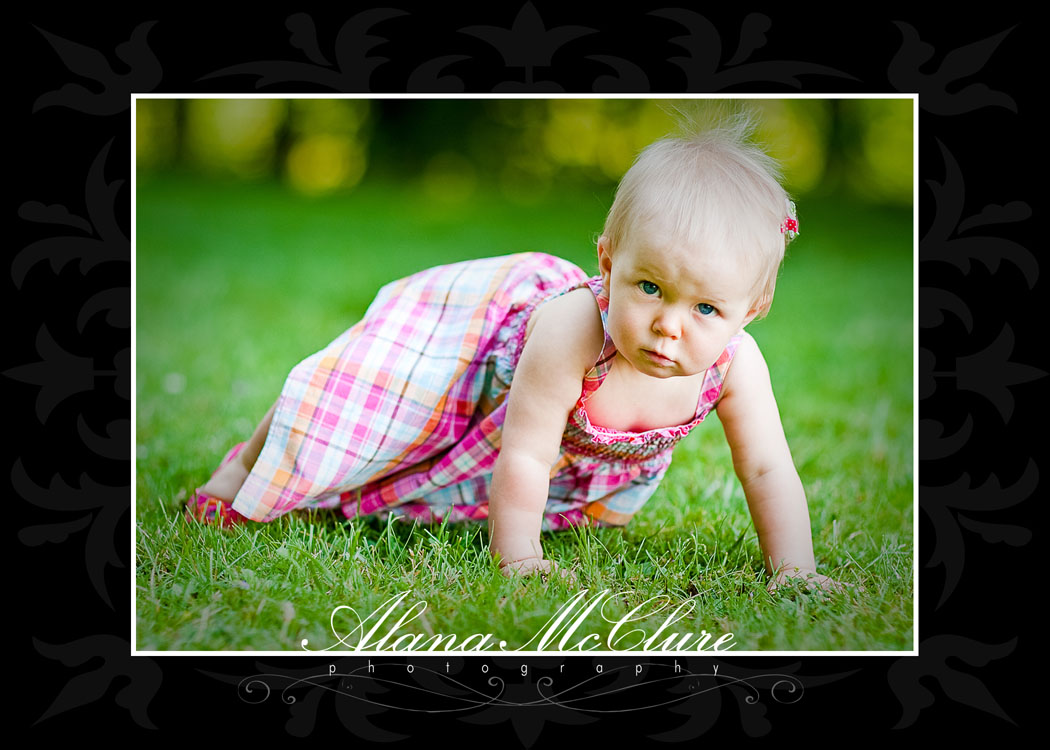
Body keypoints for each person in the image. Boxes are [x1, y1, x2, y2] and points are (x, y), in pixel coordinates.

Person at [190, 113, 843, 590]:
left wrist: (795, 571)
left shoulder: (737, 365)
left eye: (706, 308)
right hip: (464, 374)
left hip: (545, 449)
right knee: (346, 399)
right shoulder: (575, 330)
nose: (668, 326)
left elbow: (766, 470)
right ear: (608, 263)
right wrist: (520, 558)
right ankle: (233, 475)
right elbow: (526, 452)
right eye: (649, 287)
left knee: (394, 480)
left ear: (749, 312)